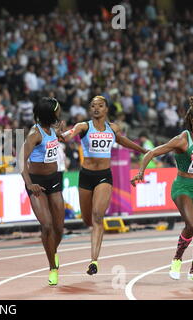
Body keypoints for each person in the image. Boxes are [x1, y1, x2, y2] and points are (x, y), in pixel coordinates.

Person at [60, 96, 147, 275]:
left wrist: (143, 150)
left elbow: (122, 141)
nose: (96, 108)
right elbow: (70, 134)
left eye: (100, 105)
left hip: (104, 177)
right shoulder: (84, 126)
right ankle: (93, 236)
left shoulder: (113, 128)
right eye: (93, 106)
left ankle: (94, 261)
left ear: (106, 109)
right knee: (87, 219)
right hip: (86, 176)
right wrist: (63, 135)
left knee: (98, 216)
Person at [131, 96, 193, 283]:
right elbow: (152, 152)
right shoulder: (183, 139)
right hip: (183, 186)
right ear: (192, 120)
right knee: (192, 225)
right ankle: (177, 259)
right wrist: (141, 172)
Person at [20, 97, 65, 286]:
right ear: (51, 113)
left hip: (54, 179)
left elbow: (56, 141)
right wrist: (29, 184)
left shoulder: (52, 130)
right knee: (46, 225)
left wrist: (60, 134)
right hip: (37, 183)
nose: (60, 112)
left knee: (59, 228)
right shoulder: (34, 134)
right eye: (58, 110)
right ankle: (52, 267)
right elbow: (20, 159)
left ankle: (52, 252)